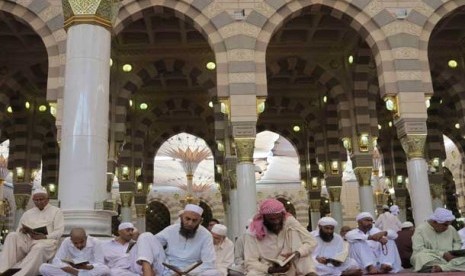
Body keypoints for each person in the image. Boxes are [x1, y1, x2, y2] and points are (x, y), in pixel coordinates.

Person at [137, 204, 220, 276]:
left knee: (214, 273)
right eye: (187, 219)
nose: (190, 223)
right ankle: (147, 272)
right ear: (181, 217)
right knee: (146, 236)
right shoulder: (171, 229)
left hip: (192, 272)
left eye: (194, 220)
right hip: (167, 269)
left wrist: (185, 273)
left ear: (200, 221)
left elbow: (208, 263)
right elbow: (153, 244)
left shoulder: (206, 235)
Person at [0, 186, 64, 276]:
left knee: (39, 247)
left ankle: (19, 274)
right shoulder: (28, 213)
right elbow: (19, 229)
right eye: (36, 200)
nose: (38, 202)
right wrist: (23, 231)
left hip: (46, 241)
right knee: (12, 236)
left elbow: (59, 231)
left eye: (41, 199)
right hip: (28, 239)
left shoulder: (56, 211)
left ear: (47, 199)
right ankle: (3, 270)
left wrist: (45, 236)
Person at [244, 198, 317, 276]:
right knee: (252, 274)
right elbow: (250, 261)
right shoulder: (253, 231)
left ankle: (310, 273)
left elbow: (312, 241)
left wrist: (296, 254)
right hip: (267, 270)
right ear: (264, 218)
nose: (276, 222)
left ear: (282, 215)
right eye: (271, 219)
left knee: (302, 251)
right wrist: (271, 269)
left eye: (278, 218)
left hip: (291, 266)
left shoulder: (289, 222)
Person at [411, 207, 465, 273]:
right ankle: (450, 267)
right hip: (433, 258)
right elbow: (419, 249)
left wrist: (453, 252)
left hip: (451, 258)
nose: (447, 228)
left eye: (448, 225)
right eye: (445, 225)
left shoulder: (450, 228)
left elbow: (458, 242)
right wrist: (443, 254)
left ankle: (441, 267)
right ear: (434, 222)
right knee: (419, 257)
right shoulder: (420, 229)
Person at [39, 228, 110, 276]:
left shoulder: (95, 242)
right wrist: (67, 267)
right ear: (71, 240)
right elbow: (57, 260)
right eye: (75, 243)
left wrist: (88, 267)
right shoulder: (67, 241)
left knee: (105, 269)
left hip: (88, 270)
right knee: (43, 267)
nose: (79, 245)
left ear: (86, 237)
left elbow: (100, 263)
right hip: (72, 270)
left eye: (82, 242)